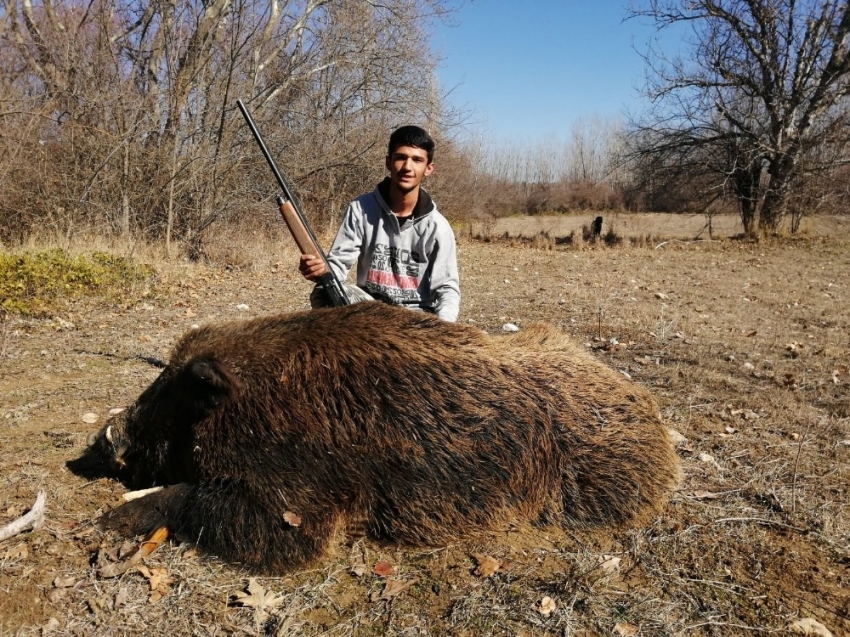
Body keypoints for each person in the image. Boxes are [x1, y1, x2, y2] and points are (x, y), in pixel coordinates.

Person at [299, 125, 460, 322]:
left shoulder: (438, 227)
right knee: (324, 291)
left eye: (417, 160)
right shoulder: (360, 208)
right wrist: (320, 271)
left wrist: (443, 331)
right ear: (388, 162)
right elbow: (338, 265)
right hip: (370, 310)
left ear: (428, 169)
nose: (407, 167)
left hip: (416, 318)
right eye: (401, 157)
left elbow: (447, 289)